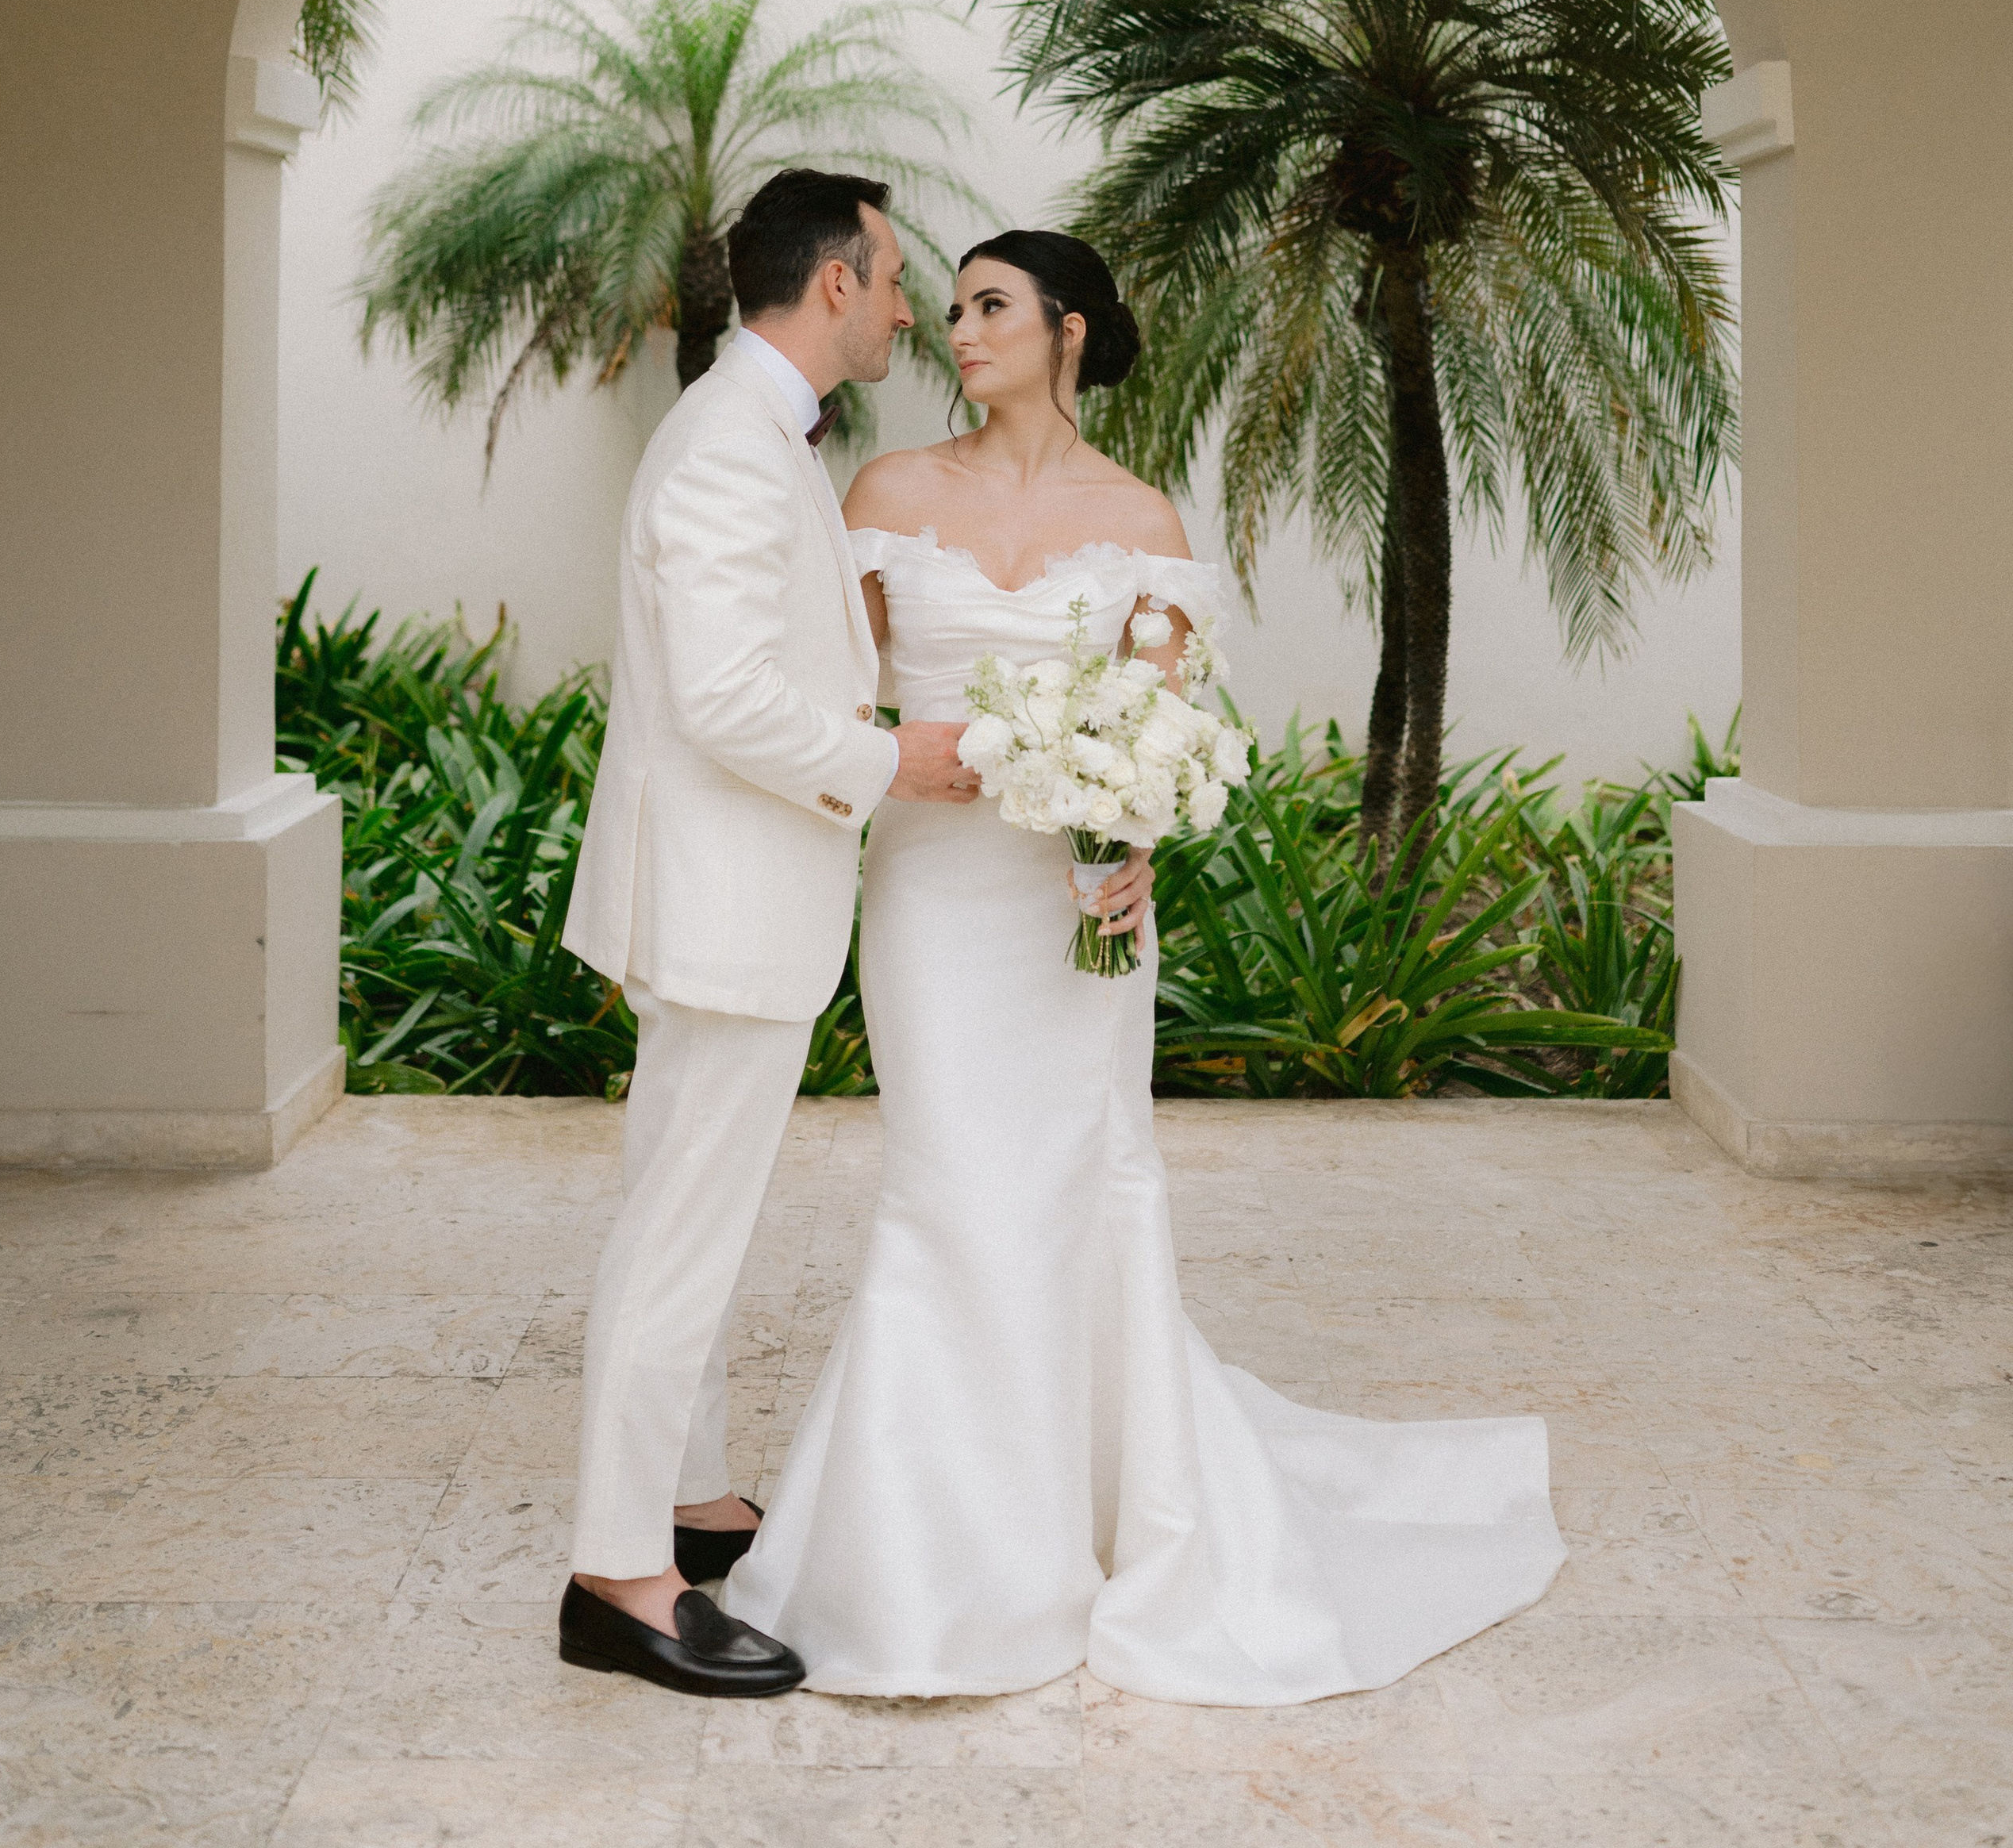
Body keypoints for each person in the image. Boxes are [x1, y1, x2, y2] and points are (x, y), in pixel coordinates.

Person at [724, 229, 1566, 1702]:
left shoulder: (1140, 514)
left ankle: (1105, 1518)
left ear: (1068, 331)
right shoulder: (887, 493)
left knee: (1077, 1186)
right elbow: (834, 692)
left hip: (1075, 905)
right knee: (947, 1184)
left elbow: (1152, 718)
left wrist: (1129, 837)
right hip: (930, 893)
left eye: (991, 308)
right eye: (955, 307)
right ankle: (932, 1558)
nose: (960, 332)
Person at [556, 169, 981, 1699]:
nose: (909, 305)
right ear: (832, 284)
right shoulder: (732, 449)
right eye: (890, 276)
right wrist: (894, 761)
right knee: (680, 1229)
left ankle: (686, 1494)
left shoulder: (757, 427)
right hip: (730, 898)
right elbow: (729, 696)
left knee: (698, 1216)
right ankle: (619, 1575)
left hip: (739, 890)